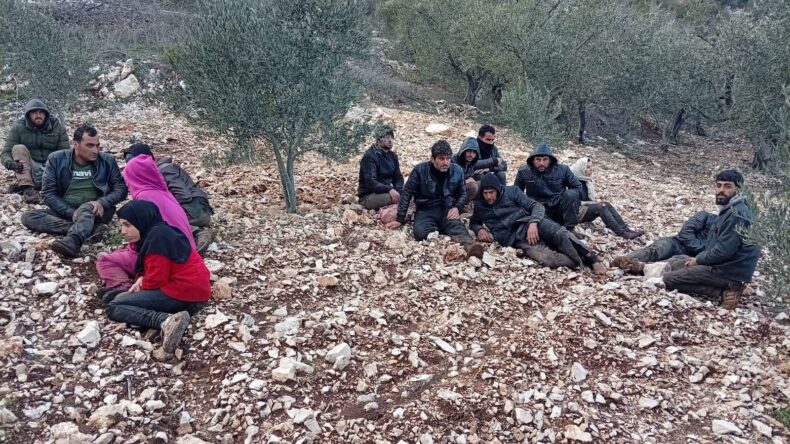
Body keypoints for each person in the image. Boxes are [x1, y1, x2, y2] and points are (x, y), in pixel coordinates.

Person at [104, 200, 211, 353]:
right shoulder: (161, 231)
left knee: (114, 306)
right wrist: (141, 280)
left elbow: (156, 280)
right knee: (112, 297)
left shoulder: (156, 239)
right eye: (122, 225)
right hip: (194, 289)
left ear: (141, 220)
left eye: (127, 225)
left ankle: (165, 321)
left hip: (186, 294)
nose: (123, 231)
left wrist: (141, 284)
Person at [21, 125, 127, 258]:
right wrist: (71, 212)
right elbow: (48, 193)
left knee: (87, 207)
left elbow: (121, 189)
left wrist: (102, 202)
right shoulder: (56, 159)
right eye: (89, 145)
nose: (95, 150)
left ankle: (73, 242)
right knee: (28, 217)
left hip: (97, 210)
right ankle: (87, 229)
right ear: (76, 144)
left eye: (97, 145)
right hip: (66, 210)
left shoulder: (107, 160)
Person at [96, 154, 196, 294]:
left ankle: (122, 289)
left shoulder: (144, 196)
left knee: (105, 260)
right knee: (122, 252)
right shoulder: (163, 191)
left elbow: (146, 231)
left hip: (163, 251)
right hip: (186, 249)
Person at [662, 170, 760, 309]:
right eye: (718, 185)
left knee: (669, 280)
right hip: (721, 265)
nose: (721, 190)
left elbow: (724, 252)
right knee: (678, 260)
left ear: (738, 189)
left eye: (727, 186)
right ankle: (641, 266)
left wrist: (698, 260)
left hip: (728, 271)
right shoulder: (731, 208)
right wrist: (698, 259)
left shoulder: (737, 213)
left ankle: (725, 292)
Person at [470, 174, 607, 273]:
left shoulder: (512, 192)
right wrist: (479, 229)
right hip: (516, 239)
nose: (488, 196)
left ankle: (592, 258)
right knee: (550, 260)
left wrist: (533, 222)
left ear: (498, 190)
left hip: (530, 223)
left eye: (491, 192)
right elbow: (474, 222)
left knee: (559, 233)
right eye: (485, 193)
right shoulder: (480, 205)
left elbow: (536, 206)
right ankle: (578, 262)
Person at [386, 140, 484, 258]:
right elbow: (407, 193)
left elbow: (462, 193)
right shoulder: (420, 170)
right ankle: (439, 229)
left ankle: (471, 247)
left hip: (447, 207)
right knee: (419, 233)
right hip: (426, 208)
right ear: (433, 159)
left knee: (458, 227)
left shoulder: (457, 170)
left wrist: (457, 207)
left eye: (448, 158)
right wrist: (400, 218)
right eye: (441, 159)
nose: (445, 162)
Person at [123, 144, 214, 251]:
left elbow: (183, 195)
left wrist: (168, 207)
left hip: (195, 211)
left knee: (160, 220)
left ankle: (197, 232)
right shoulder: (154, 173)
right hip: (195, 209)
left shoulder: (164, 170)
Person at [2, 99, 70, 203]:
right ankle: (27, 188)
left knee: (66, 156)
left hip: (52, 168)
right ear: (28, 115)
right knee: (18, 148)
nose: (38, 115)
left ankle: (44, 186)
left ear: (46, 114)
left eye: (41, 112)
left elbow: (65, 152)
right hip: (29, 168)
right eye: (34, 112)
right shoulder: (19, 127)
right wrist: (11, 164)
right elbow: (5, 153)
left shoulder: (57, 126)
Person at [611, 211, 717, 273]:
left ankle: (639, 267)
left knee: (669, 265)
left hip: (692, 257)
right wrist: (702, 249)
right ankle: (626, 259)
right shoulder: (705, 216)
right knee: (657, 250)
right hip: (676, 243)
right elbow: (685, 232)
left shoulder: (730, 232)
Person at [569, 157, 644, 239]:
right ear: (581, 168)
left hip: (584, 208)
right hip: (576, 212)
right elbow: (573, 202)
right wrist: (593, 203)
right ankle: (623, 233)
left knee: (605, 204)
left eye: (591, 166)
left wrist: (593, 203)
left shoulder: (586, 180)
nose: (591, 169)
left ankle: (626, 229)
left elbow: (589, 199)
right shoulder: (572, 181)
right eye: (588, 167)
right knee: (601, 206)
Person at [514, 143, 582, 232]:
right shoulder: (524, 171)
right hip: (536, 209)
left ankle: (570, 229)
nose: (541, 163)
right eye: (538, 160)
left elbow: (577, 187)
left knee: (571, 194)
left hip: (558, 207)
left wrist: (568, 203)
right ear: (533, 160)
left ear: (550, 160)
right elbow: (516, 193)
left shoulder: (563, 170)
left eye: (545, 159)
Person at [357, 125, 404, 213]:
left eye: (391, 137)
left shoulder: (393, 156)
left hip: (387, 191)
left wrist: (397, 190)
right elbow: (371, 182)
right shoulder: (370, 156)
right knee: (399, 198)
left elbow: (398, 178)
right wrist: (390, 189)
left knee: (411, 193)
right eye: (386, 137)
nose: (390, 140)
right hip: (369, 196)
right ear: (378, 139)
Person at [452, 137, 482, 202]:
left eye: (474, 152)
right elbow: (449, 183)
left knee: (483, 182)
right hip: (451, 192)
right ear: (463, 150)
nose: (471, 155)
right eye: (469, 151)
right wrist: (466, 181)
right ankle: (460, 204)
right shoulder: (453, 161)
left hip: (461, 188)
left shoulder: (470, 163)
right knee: (473, 186)